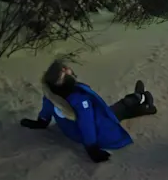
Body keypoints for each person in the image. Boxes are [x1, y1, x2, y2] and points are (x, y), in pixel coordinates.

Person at [18, 59, 157, 163]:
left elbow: (46, 110)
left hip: (72, 130)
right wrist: (92, 149)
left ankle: (141, 104)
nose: (66, 69)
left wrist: (41, 122)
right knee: (116, 110)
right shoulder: (80, 100)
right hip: (97, 130)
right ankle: (141, 98)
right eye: (64, 71)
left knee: (115, 111)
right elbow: (87, 125)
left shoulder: (52, 95)